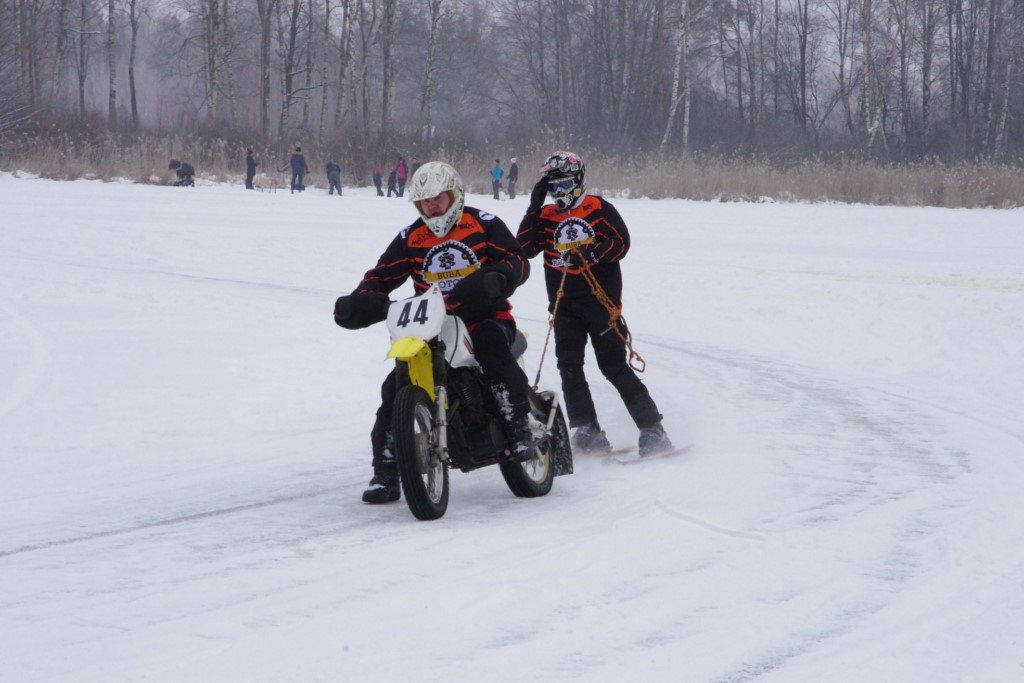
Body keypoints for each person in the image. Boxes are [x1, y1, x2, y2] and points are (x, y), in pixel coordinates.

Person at [333, 161, 534, 504]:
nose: (432, 207)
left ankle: (519, 426)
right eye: (424, 201)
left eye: (438, 198)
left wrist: (500, 276)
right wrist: (362, 300)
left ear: (454, 195)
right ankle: (386, 469)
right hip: (432, 322)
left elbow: (517, 259)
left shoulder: (483, 223)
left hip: (485, 314)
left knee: (490, 345)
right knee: (395, 385)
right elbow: (381, 275)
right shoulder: (411, 237)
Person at [516, 150, 673, 457]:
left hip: (601, 304)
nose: (559, 192)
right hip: (564, 306)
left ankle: (653, 428)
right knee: (569, 366)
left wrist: (592, 254)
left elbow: (621, 242)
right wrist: (534, 207)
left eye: (564, 184)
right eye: (553, 186)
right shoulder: (545, 216)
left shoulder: (598, 208)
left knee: (613, 365)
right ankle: (588, 429)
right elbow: (523, 248)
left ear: (577, 181)